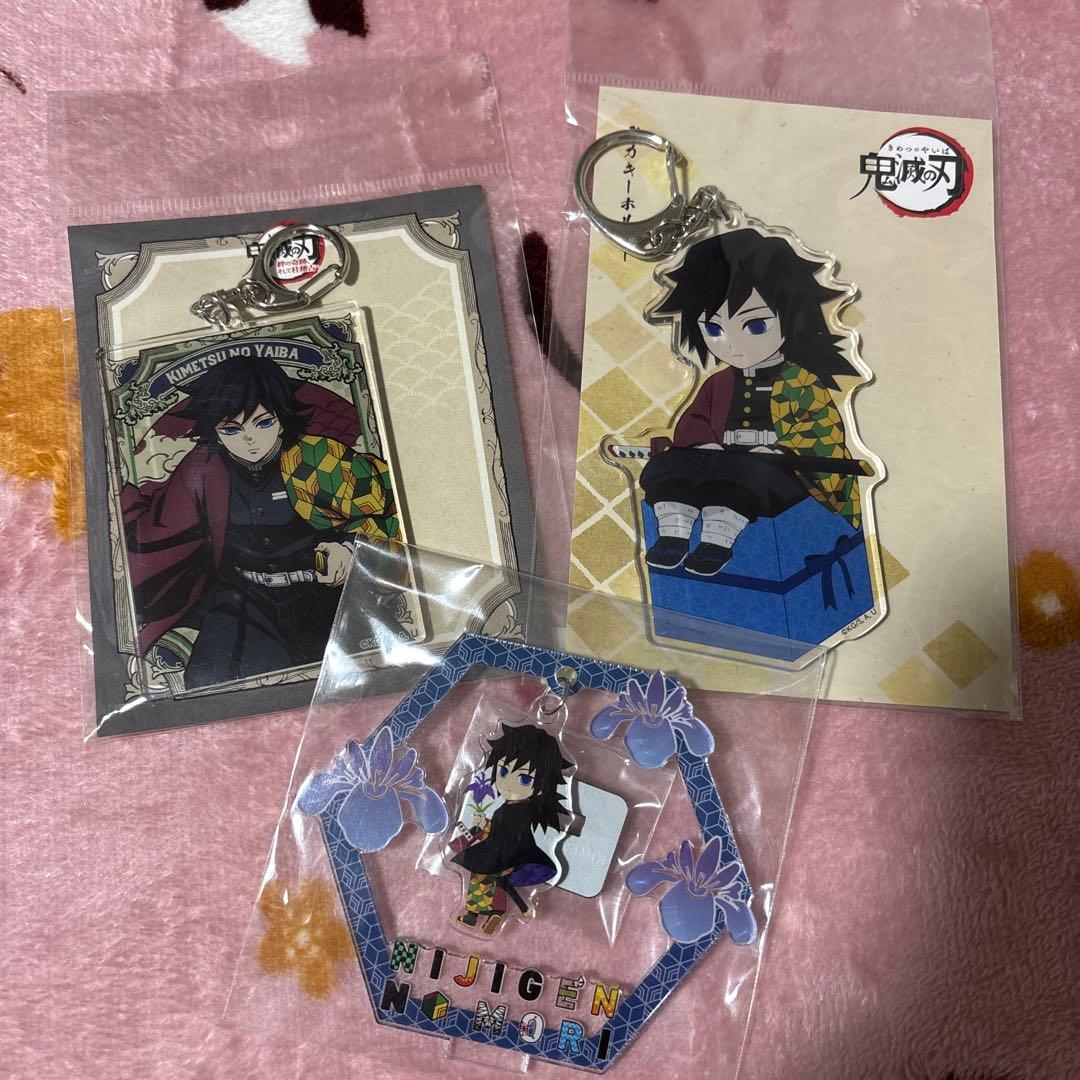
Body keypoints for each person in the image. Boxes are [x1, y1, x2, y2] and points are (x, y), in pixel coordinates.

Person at [122, 354, 400, 688]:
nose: (249, 439)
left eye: (263, 423)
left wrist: (350, 548)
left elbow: (390, 515)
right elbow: (161, 530)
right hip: (244, 602)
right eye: (231, 429)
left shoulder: (320, 458)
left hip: (324, 598)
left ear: (281, 419)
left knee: (371, 678)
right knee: (210, 681)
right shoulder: (203, 469)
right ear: (216, 431)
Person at [641, 228, 862, 577]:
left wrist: (781, 451)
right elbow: (693, 421)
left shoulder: (802, 382)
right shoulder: (718, 382)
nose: (733, 345)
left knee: (747, 475)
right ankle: (673, 535)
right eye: (714, 330)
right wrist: (702, 444)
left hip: (778, 474)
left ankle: (717, 543)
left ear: (791, 318)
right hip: (722, 462)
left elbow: (822, 435)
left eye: (756, 326)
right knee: (668, 466)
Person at [449, 724, 573, 934]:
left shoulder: (518, 811)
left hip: (508, 855)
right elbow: (500, 830)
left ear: (541, 787)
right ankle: (493, 914)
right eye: (504, 771)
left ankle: (474, 916)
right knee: (493, 883)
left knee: (480, 878)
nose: (508, 783)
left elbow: (509, 835)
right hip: (507, 854)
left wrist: (484, 834)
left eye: (524, 779)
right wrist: (485, 825)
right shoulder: (508, 808)